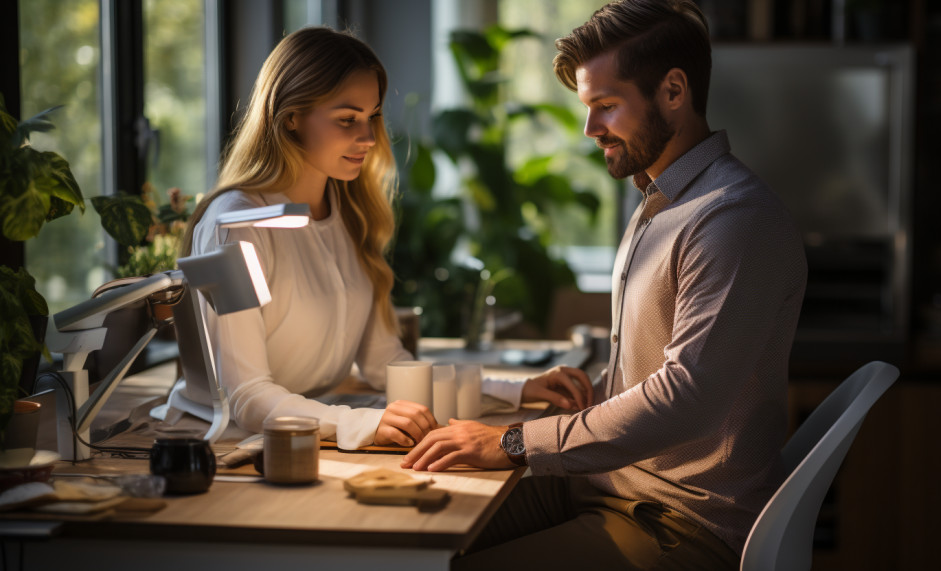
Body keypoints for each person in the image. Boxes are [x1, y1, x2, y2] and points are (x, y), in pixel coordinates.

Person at [402, 1, 808, 569]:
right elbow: (646, 373)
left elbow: (685, 399)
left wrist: (513, 441)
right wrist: (576, 393)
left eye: (606, 106)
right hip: (608, 485)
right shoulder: (661, 202)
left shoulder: (732, 219)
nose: (591, 129)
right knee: (417, 534)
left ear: (673, 91)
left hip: (676, 522)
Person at [183, 27, 589, 450]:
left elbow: (387, 365)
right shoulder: (233, 227)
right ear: (290, 117)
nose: (369, 138)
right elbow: (244, 394)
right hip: (230, 452)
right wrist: (357, 422)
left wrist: (517, 390)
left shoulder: (350, 215)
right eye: (347, 120)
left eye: (372, 116)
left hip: (311, 439)